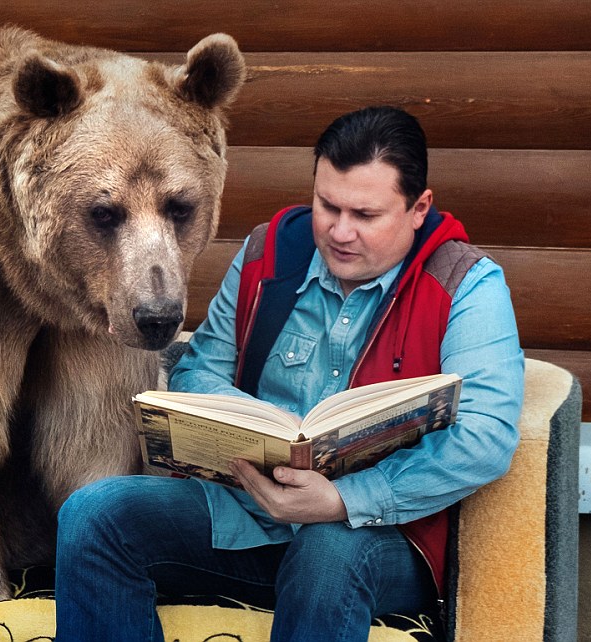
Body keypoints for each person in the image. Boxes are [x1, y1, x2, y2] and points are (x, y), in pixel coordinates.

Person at [53, 106, 524, 642]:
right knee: (95, 515)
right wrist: (257, 425)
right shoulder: (269, 252)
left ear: (418, 209)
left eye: (365, 215)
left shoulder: (467, 284)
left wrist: (344, 500)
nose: (340, 232)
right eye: (328, 206)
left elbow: (485, 437)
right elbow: (199, 369)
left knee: (326, 550)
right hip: (247, 510)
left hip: (376, 535)